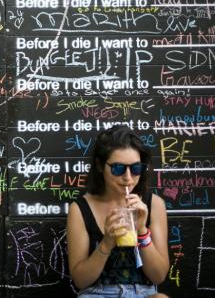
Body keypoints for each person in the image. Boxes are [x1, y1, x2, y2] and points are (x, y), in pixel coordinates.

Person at [67, 126, 169, 297]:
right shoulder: (80, 209)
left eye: (135, 168)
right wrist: (107, 243)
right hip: (97, 293)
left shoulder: (154, 204)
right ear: (100, 166)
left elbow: (158, 276)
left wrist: (142, 232)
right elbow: (80, 280)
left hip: (143, 292)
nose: (128, 177)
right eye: (118, 169)